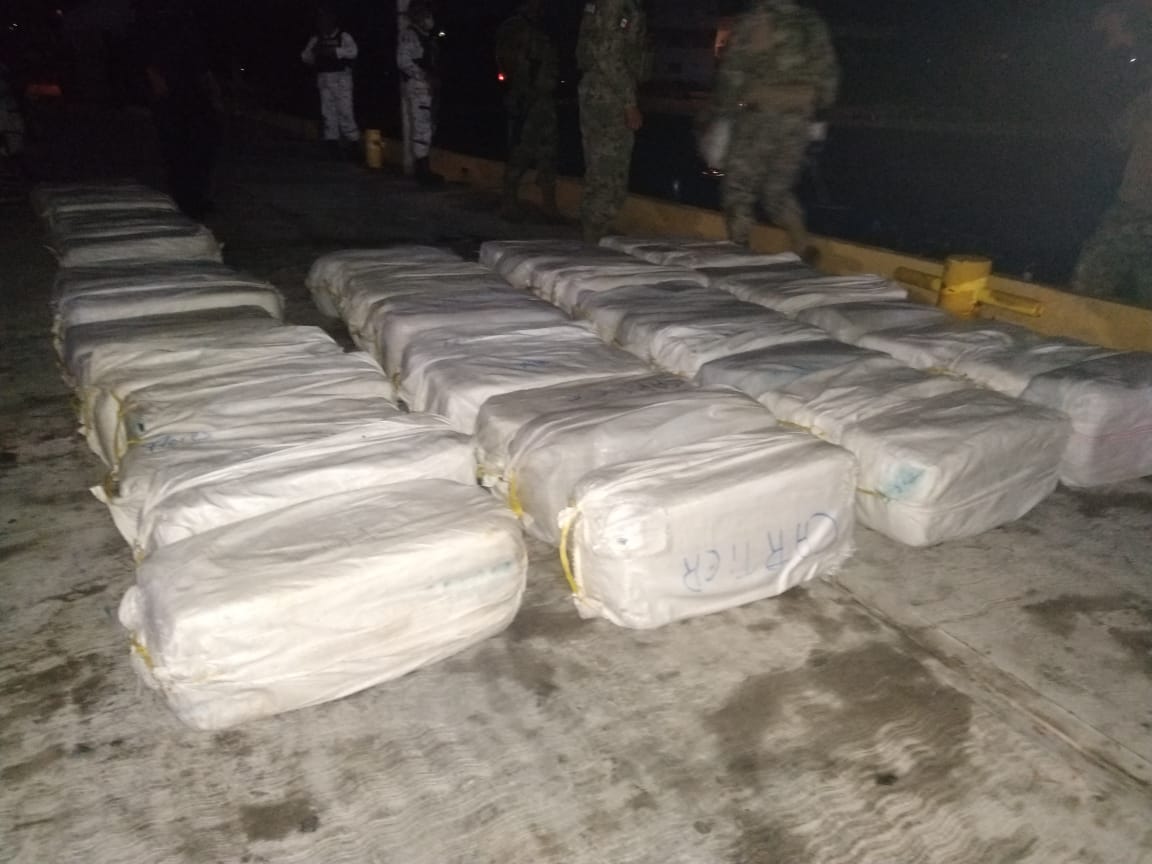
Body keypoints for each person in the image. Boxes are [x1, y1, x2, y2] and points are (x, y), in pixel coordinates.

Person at [710, 0, 838, 259]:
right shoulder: (811, 22)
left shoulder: (756, 20)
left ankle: (739, 247)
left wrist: (721, 111)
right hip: (798, 119)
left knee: (739, 187)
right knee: (777, 189)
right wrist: (817, 109)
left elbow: (733, 72)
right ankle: (802, 243)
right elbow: (829, 72)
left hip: (761, 116)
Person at [1074, 3, 1152, 307]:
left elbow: (1116, 140)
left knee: (1092, 283)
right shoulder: (1144, 101)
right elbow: (1117, 139)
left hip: (1133, 211)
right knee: (1094, 284)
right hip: (1132, 208)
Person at [576, 0, 649, 242]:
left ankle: (596, 231)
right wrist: (629, 103)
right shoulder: (615, 4)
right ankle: (594, 237)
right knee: (606, 173)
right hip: (609, 96)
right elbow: (607, 55)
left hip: (604, 92)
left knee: (605, 171)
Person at [141, 4, 222, 219]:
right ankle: (185, 198)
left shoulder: (192, 27)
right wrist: (158, 86)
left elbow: (203, 65)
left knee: (197, 150)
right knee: (178, 151)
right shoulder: (160, 25)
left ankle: (195, 197)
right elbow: (148, 60)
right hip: (174, 97)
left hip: (193, 96)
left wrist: (212, 93)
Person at [495, 0, 559, 220]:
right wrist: (519, 88)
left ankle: (549, 204)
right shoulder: (515, 26)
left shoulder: (539, 27)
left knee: (548, 151)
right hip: (526, 97)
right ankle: (508, 201)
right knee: (521, 150)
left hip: (544, 98)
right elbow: (506, 61)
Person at [301, 9, 360, 157]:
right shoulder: (316, 38)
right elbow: (305, 57)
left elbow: (353, 52)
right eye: (320, 21)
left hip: (342, 78)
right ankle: (332, 143)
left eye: (326, 20)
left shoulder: (343, 36)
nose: (323, 24)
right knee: (328, 112)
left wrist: (335, 52)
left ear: (333, 21)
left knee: (345, 112)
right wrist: (314, 53)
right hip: (324, 79)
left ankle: (353, 142)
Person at [397, 1, 443, 186]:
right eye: (425, 15)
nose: (429, 19)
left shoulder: (426, 37)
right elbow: (403, 62)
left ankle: (424, 167)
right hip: (418, 87)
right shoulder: (410, 35)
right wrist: (425, 76)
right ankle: (422, 170)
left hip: (426, 87)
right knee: (422, 127)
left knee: (428, 126)